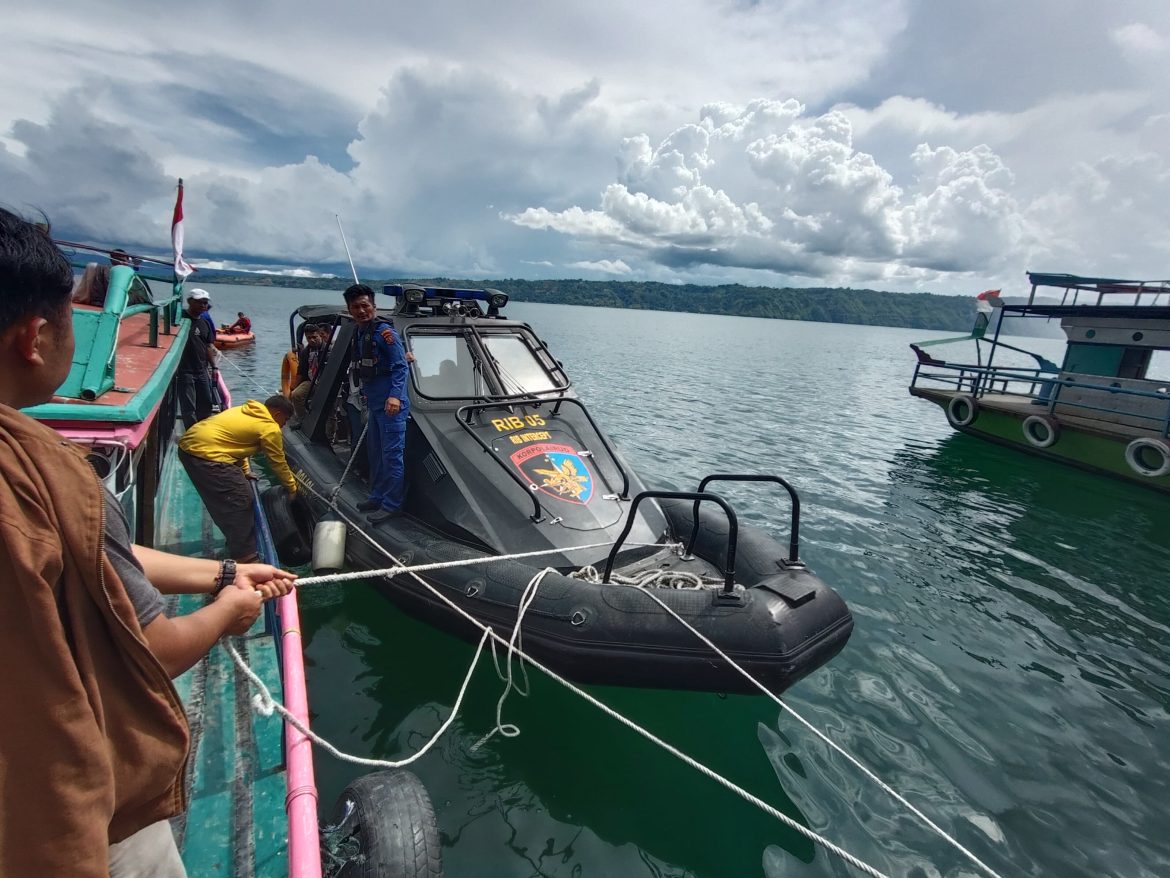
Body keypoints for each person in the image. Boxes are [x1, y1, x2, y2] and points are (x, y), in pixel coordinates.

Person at [0, 207, 296, 877]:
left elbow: (107, 558)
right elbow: (154, 651)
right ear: (35, 337)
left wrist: (222, 573)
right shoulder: (44, 470)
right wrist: (230, 611)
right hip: (55, 816)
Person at [178, 395, 298, 562]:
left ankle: (235, 542)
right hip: (207, 455)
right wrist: (292, 488)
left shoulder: (244, 412)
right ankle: (245, 556)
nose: (284, 425)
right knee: (240, 499)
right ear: (277, 414)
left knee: (226, 499)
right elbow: (277, 461)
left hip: (189, 448)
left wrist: (243, 470)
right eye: (285, 420)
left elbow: (236, 443)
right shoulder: (269, 428)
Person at [344, 283, 409, 523]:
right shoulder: (361, 332)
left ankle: (392, 504)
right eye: (356, 307)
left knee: (392, 455)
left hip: (391, 404)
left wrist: (395, 395)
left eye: (365, 306)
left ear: (374, 306)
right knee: (376, 453)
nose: (361, 311)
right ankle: (378, 495)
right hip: (374, 402)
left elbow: (401, 366)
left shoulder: (385, 334)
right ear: (349, 309)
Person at [178, 288, 215, 428]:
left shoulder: (204, 323)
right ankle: (191, 434)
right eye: (199, 302)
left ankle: (202, 431)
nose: (203, 305)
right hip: (184, 370)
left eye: (205, 303)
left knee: (206, 403)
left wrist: (214, 366)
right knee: (188, 407)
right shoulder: (180, 318)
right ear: (189, 301)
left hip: (201, 370)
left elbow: (208, 346)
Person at [289, 322, 327, 420]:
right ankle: (302, 419)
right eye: (309, 338)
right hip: (311, 380)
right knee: (296, 395)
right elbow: (301, 371)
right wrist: (293, 388)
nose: (312, 340)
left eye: (314, 337)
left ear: (320, 335)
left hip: (326, 381)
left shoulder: (328, 349)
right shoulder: (306, 352)